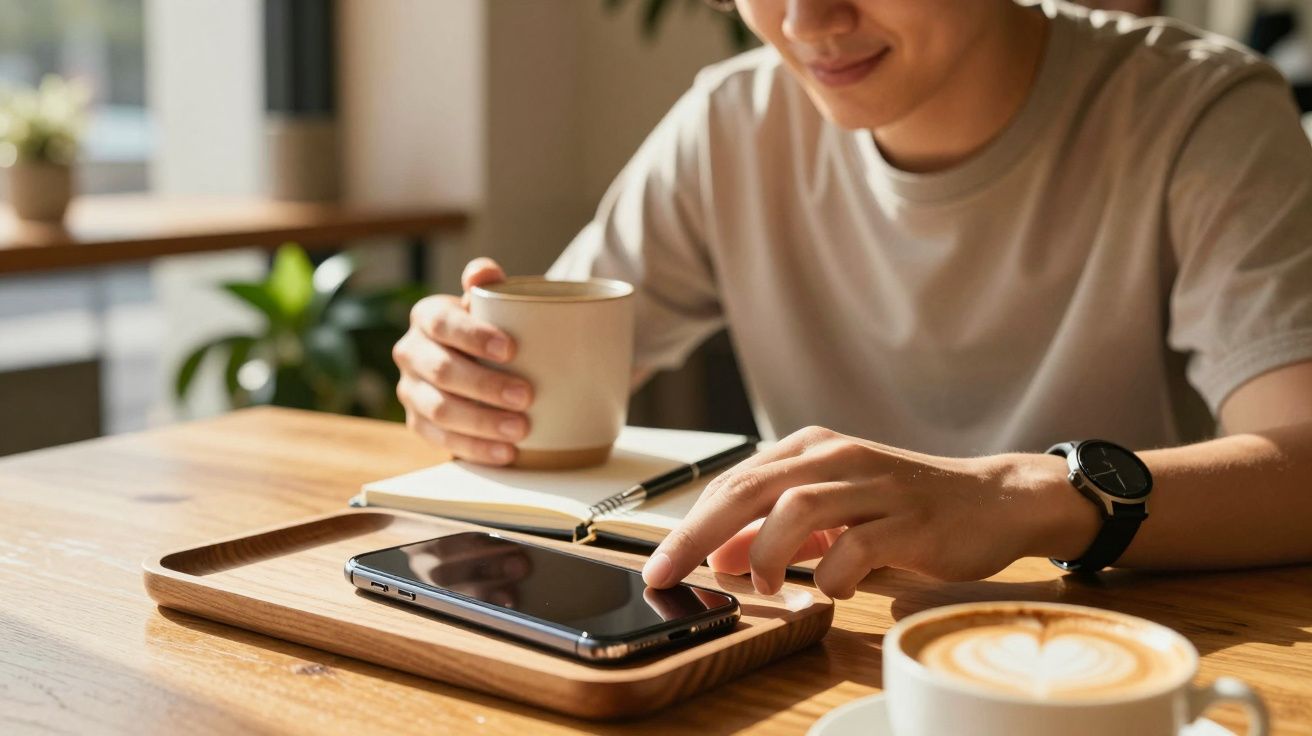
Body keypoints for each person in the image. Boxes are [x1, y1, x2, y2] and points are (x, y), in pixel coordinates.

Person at [392, 0, 1312, 600]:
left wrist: (1016, 496)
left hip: (1129, 646)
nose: (806, 20)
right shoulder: (730, 124)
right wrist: (471, 381)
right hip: (822, 635)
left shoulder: (1198, 112)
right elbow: (544, 383)